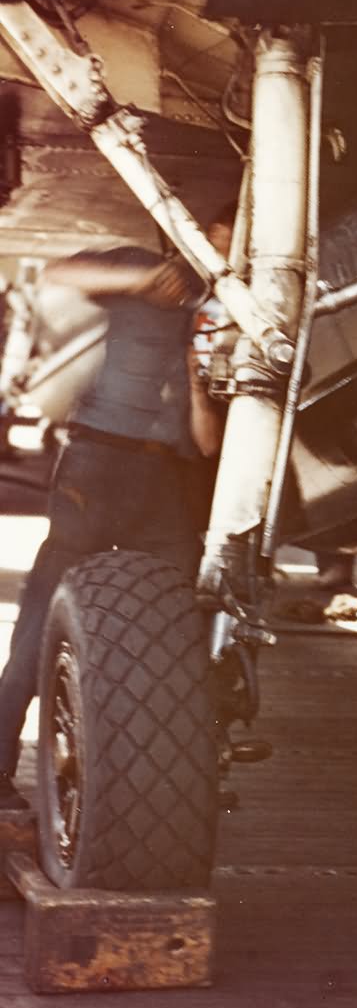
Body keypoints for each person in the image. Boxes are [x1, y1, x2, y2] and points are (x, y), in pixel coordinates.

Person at [0, 216, 231, 811]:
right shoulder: (136, 265)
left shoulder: (231, 310)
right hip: (99, 462)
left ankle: (165, 772)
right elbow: (59, 271)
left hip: (167, 481)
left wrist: (198, 376)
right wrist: (147, 279)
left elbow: (207, 444)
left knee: (181, 616)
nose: (223, 250)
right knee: (44, 611)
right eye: (219, 235)